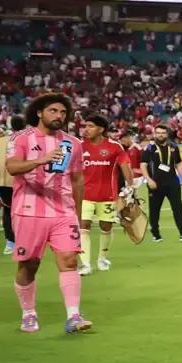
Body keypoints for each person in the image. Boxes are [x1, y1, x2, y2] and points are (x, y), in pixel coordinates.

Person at [6, 93, 92, 334]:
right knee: (29, 265)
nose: (59, 116)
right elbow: (12, 167)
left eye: (63, 112)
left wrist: (77, 213)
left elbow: (77, 179)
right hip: (29, 210)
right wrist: (40, 160)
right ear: (39, 113)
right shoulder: (21, 138)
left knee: (69, 260)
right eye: (53, 111)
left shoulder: (72, 143)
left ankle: (74, 316)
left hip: (63, 212)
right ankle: (28, 313)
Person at [78, 114, 134, 274]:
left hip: (108, 196)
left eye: (90, 126)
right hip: (84, 196)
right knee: (83, 227)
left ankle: (102, 259)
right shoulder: (79, 146)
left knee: (106, 227)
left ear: (101, 129)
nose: (86, 129)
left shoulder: (115, 147)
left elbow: (125, 167)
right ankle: (85, 264)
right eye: (85, 126)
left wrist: (130, 187)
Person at [141, 126, 182, 242]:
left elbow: (178, 164)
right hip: (155, 183)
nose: (160, 135)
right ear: (155, 134)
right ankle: (156, 234)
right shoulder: (149, 148)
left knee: (178, 209)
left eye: (163, 133)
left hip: (172, 182)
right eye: (158, 133)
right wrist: (149, 180)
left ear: (167, 134)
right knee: (154, 210)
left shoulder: (173, 147)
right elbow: (143, 165)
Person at [0, 116, 21, 254]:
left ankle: (10, 243)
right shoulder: (27, 139)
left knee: (7, 211)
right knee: (23, 211)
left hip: (3, 181)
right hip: (20, 180)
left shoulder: (0, 141)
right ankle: (22, 241)